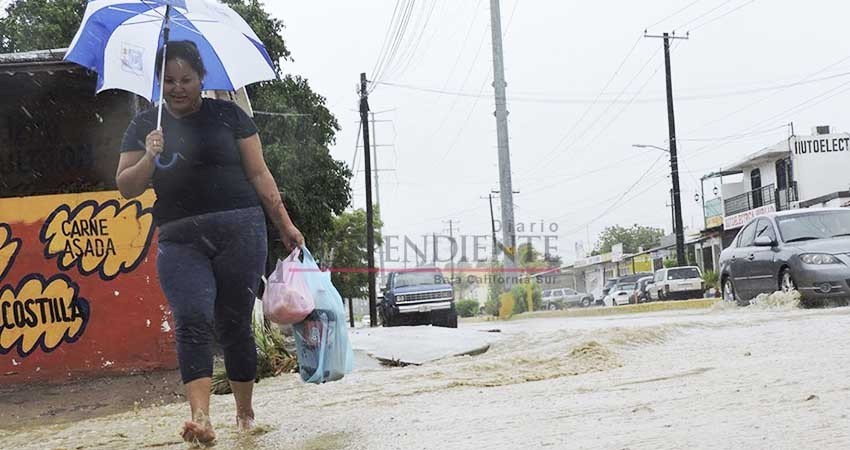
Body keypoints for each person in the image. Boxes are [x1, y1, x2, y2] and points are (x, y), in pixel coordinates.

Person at [115, 40, 303, 444]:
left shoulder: (230, 116)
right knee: (192, 318)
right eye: (168, 80)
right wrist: (149, 155)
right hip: (180, 238)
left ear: (202, 79)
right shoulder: (146, 125)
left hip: (241, 230)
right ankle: (201, 419)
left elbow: (260, 175)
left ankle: (245, 415)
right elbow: (126, 187)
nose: (177, 88)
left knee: (234, 324)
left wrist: (284, 225)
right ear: (158, 83)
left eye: (186, 79)